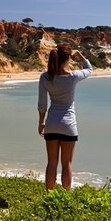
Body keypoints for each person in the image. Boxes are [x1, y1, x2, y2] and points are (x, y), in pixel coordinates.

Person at [37, 45, 92, 190]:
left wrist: (41, 122)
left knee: (52, 163)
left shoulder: (45, 77)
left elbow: (42, 103)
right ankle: (65, 198)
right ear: (67, 59)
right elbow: (89, 70)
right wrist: (81, 58)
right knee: (67, 163)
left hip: (51, 124)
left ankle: (49, 196)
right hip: (68, 125)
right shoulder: (73, 77)